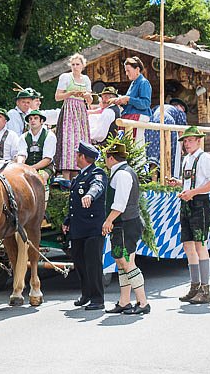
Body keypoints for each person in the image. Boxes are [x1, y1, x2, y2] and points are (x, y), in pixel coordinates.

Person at [166, 126, 210, 305]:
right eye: (185, 141)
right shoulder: (187, 160)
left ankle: (205, 290)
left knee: (200, 246)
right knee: (188, 246)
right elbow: (194, 180)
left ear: (199, 140)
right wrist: (180, 184)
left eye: (190, 140)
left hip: (200, 204)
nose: (187, 144)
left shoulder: (206, 158)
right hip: (186, 203)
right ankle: (194, 286)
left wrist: (193, 192)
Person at [102, 143, 150, 314]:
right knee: (122, 263)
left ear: (111, 158)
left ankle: (143, 302)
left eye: (106, 157)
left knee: (126, 262)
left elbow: (120, 203)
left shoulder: (121, 174)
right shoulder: (124, 171)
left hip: (124, 223)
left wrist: (108, 221)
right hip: (126, 223)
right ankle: (124, 301)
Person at [63, 142, 107, 311]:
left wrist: (90, 194)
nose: (76, 158)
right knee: (79, 262)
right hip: (78, 228)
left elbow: (98, 186)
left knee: (93, 263)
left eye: (77, 155)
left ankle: (98, 298)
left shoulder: (97, 173)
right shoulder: (79, 176)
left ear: (83, 157)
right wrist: (68, 221)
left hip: (93, 229)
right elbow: (74, 203)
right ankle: (86, 294)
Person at [54, 53, 92, 180]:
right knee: (68, 141)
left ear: (83, 65)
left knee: (80, 141)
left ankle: (77, 176)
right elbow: (57, 97)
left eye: (78, 64)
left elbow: (90, 101)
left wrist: (87, 96)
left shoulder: (86, 79)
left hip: (81, 111)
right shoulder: (65, 77)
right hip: (69, 109)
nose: (75, 67)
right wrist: (70, 93)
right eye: (73, 64)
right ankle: (65, 178)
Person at [112, 56, 152, 147]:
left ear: (137, 69)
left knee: (136, 145)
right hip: (130, 117)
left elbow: (145, 103)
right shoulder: (133, 84)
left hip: (139, 118)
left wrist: (128, 99)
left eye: (128, 70)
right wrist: (120, 102)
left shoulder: (143, 82)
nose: (126, 73)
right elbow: (130, 104)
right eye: (125, 71)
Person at [16, 109, 57, 182]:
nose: (32, 120)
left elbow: (47, 160)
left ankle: (45, 193)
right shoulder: (23, 137)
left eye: (35, 118)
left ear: (41, 121)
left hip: (46, 167)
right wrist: (20, 166)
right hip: (27, 166)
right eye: (30, 119)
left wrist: (31, 168)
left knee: (40, 178)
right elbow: (21, 155)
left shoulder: (49, 136)